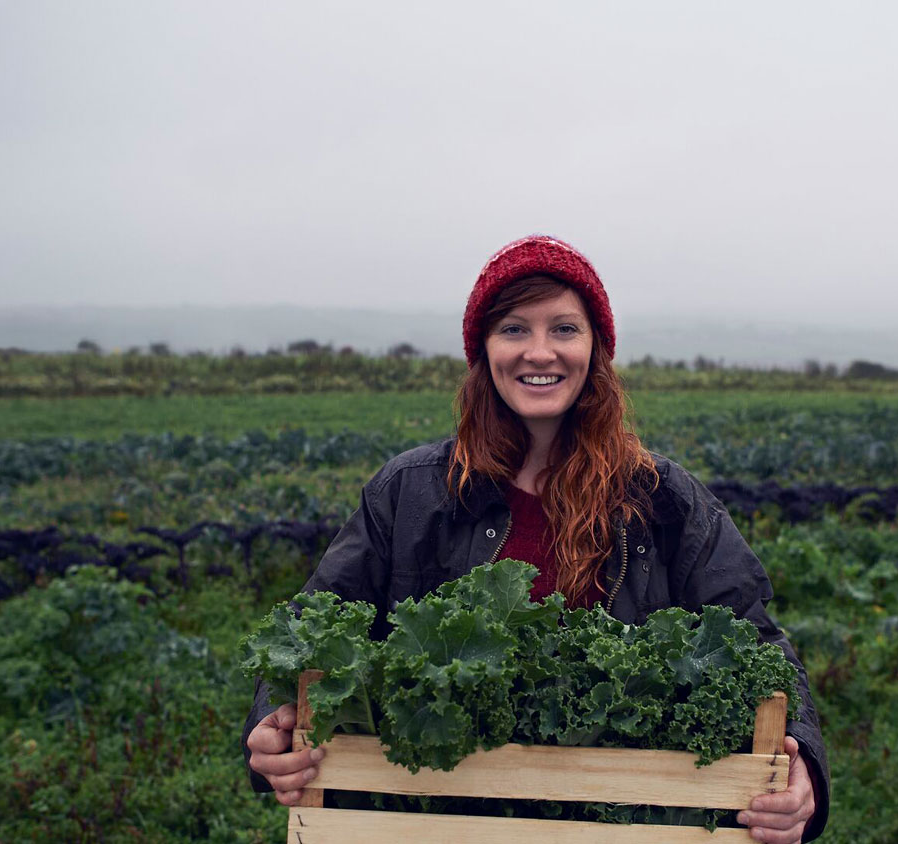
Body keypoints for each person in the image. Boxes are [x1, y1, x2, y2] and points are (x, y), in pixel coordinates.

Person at [243, 235, 830, 842]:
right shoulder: (408, 493)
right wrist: (271, 725)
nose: (539, 352)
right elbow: (307, 630)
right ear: (484, 349)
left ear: (595, 348)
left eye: (565, 329)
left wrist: (802, 767)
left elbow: (758, 645)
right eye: (515, 328)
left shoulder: (665, 500)